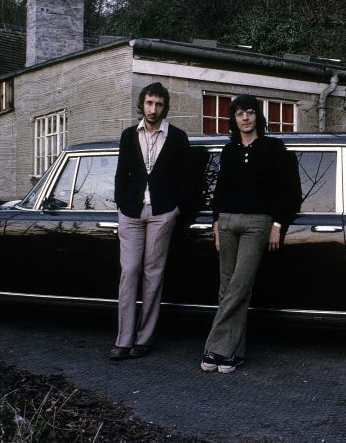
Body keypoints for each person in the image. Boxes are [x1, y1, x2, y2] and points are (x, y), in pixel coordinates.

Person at [201, 94, 301, 373]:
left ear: (257, 116)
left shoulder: (274, 147)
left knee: (239, 286)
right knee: (226, 288)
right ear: (233, 119)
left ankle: (214, 348)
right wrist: (216, 224)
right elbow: (219, 192)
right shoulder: (229, 150)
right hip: (228, 222)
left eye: (249, 112)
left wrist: (278, 224)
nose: (245, 118)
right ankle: (233, 353)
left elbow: (290, 192)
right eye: (239, 113)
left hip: (258, 223)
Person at [111, 82, 190, 361]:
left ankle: (143, 340)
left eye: (158, 104)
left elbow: (186, 179)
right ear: (141, 105)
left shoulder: (178, 137)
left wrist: (176, 209)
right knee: (129, 272)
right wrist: (121, 203)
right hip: (131, 212)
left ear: (164, 106)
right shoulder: (128, 135)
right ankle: (123, 339)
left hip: (162, 212)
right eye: (148, 103)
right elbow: (121, 174)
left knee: (152, 275)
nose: (153, 109)